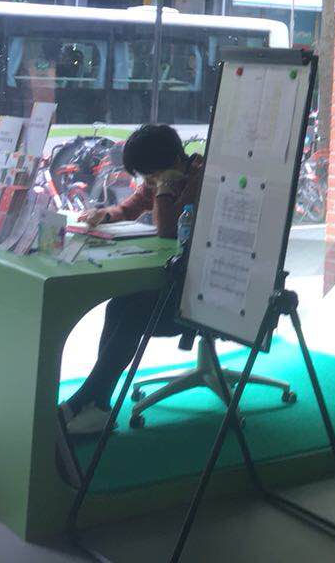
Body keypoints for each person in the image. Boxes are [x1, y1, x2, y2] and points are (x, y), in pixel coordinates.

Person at [59, 124, 203, 435]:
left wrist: (165, 187)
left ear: (173, 161)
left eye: (151, 176)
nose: (148, 183)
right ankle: (97, 405)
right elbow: (134, 204)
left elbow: (168, 228)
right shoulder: (164, 172)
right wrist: (106, 214)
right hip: (176, 279)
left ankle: (83, 402)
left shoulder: (200, 177)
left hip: (202, 293)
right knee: (119, 304)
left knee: (135, 312)